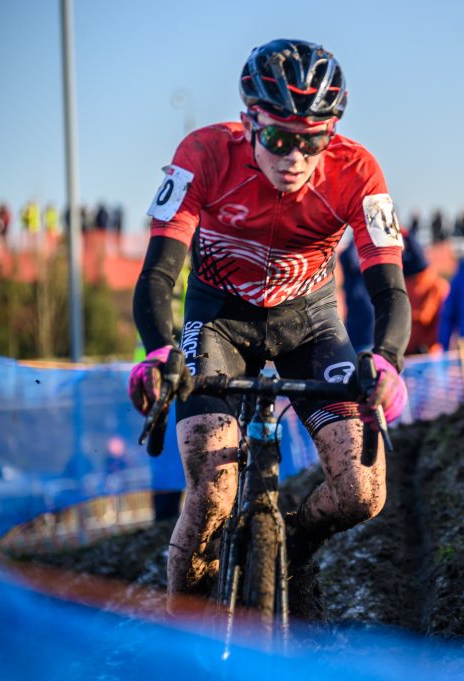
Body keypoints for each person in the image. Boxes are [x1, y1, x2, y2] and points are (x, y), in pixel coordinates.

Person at [127, 39, 411, 614]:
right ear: (249, 122)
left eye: (314, 140)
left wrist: (387, 359)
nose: (296, 158)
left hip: (310, 322)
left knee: (362, 491)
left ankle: (294, 546)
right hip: (219, 320)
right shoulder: (204, 153)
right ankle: (185, 634)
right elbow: (158, 274)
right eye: (280, 139)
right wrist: (158, 352)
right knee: (212, 493)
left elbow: (389, 288)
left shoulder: (357, 170)